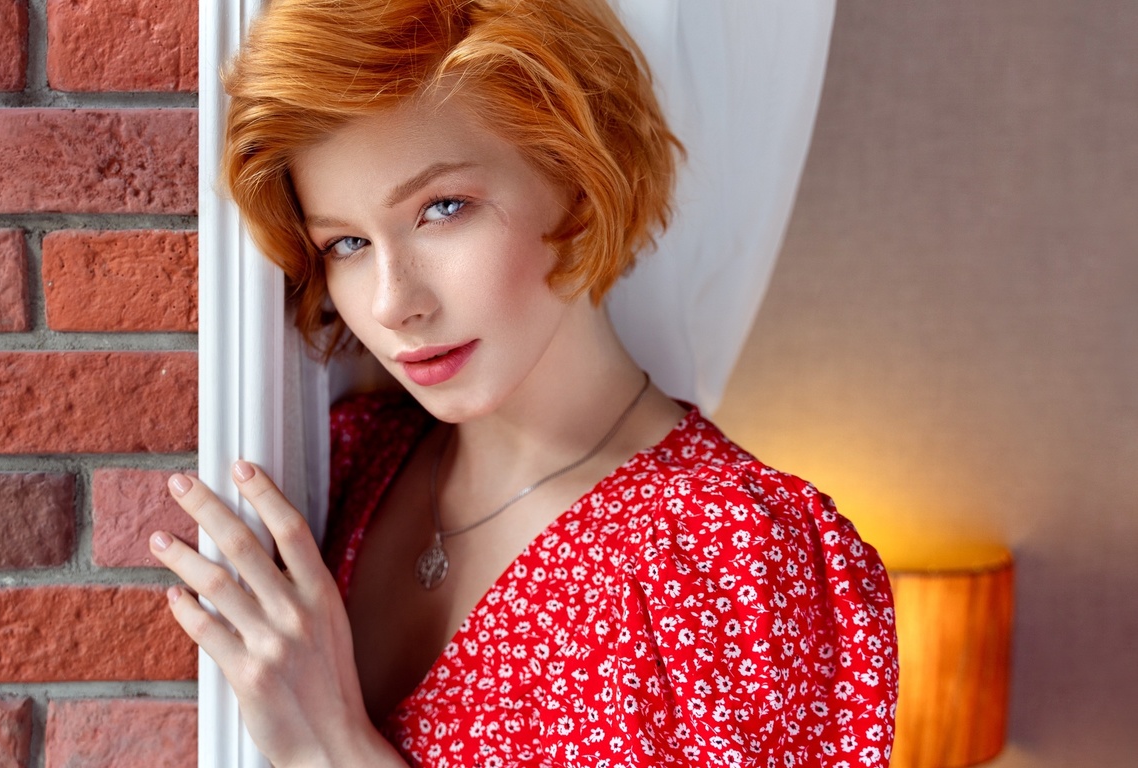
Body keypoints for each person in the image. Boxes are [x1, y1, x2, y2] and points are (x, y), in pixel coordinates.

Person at [148, 0, 898, 765]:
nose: (393, 302)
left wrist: (336, 749)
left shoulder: (730, 555)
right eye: (346, 243)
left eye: (443, 208)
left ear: (576, 177)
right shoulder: (356, 454)